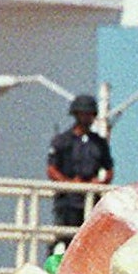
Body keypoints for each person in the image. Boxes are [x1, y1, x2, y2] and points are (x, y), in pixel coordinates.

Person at [47, 94, 113, 230]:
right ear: (76, 114)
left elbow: (109, 170)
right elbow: (51, 169)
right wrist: (69, 183)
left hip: (91, 200)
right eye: (83, 114)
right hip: (67, 202)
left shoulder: (99, 143)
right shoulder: (62, 140)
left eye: (89, 114)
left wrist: (100, 183)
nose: (86, 118)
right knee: (64, 239)